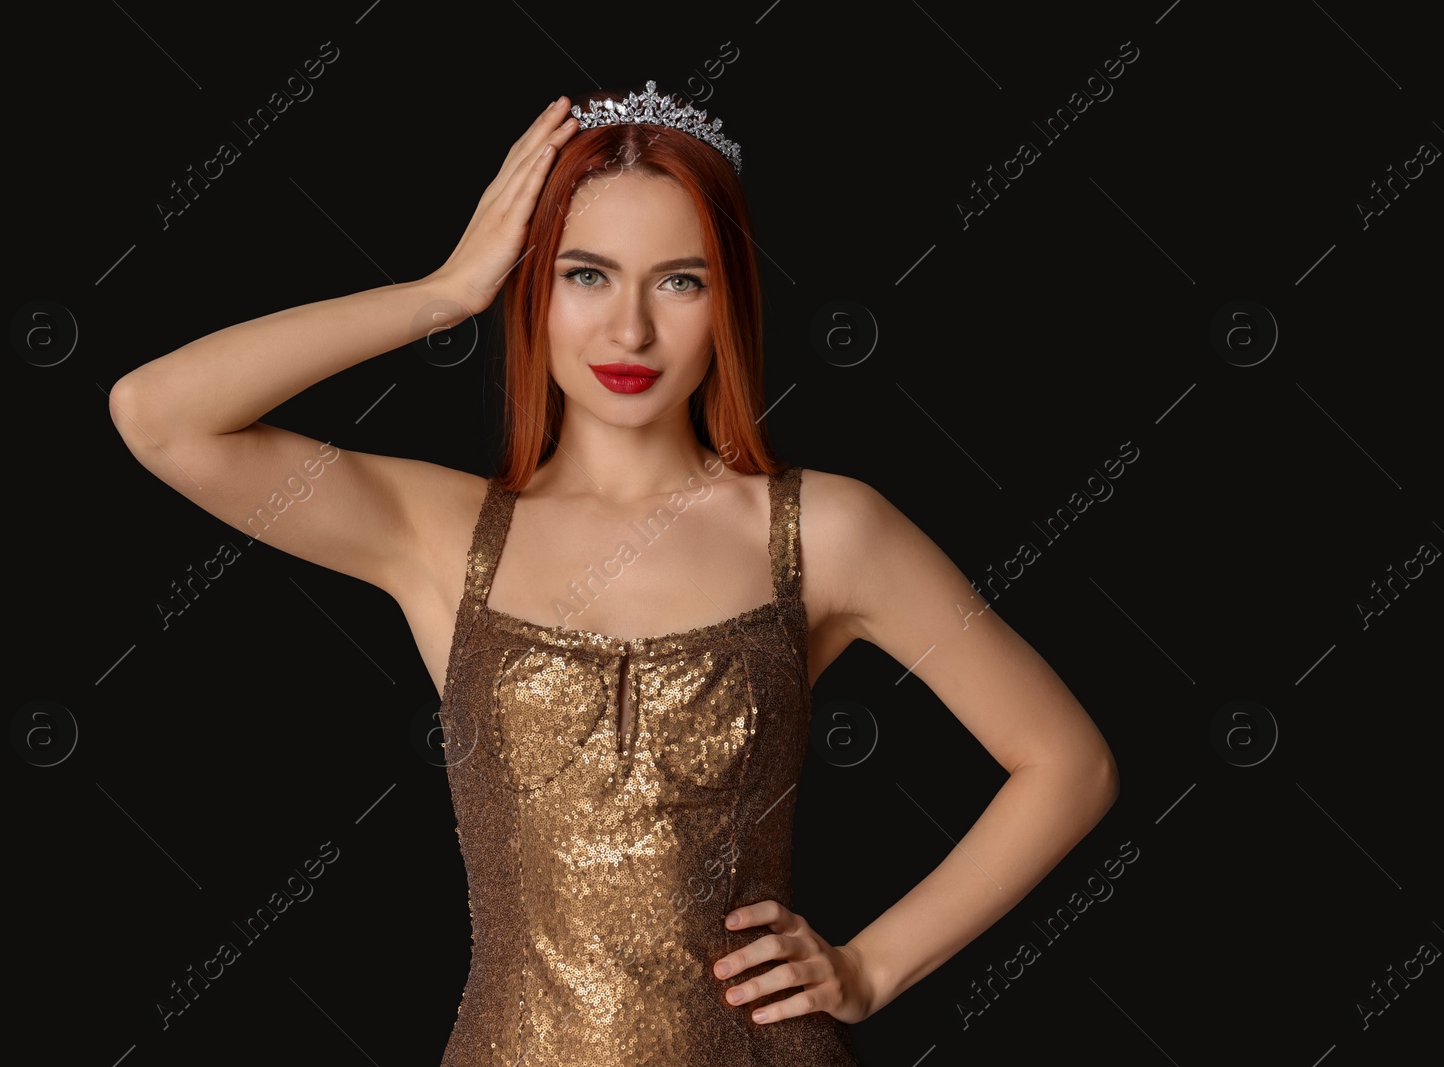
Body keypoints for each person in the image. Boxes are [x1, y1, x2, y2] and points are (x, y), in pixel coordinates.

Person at [109, 81, 1118, 1065]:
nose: (629, 330)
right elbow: (159, 415)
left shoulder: (823, 530)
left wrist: (871, 965)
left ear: (729, 296)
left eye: (679, 279)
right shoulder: (441, 532)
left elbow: (1067, 763)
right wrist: (442, 292)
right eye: (584, 274)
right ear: (529, 284)